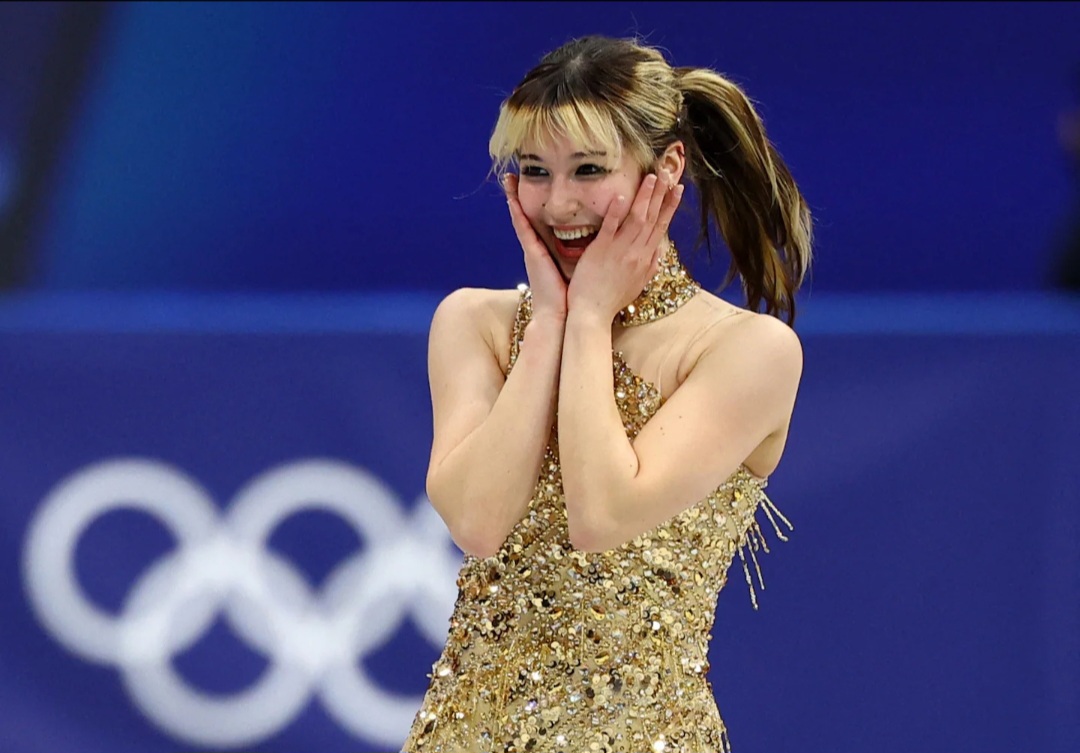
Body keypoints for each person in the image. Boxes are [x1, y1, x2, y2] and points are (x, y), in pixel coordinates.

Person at [402, 34, 812, 753]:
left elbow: (602, 515)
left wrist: (590, 317)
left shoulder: (746, 351)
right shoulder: (474, 323)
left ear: (667, 167)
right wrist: (551, 321)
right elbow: (477, 521)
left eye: (588, 169)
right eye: (535, 171)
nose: (558, 203)